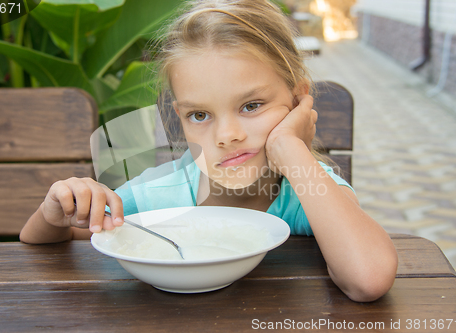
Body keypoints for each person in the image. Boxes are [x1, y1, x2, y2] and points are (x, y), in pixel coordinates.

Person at [20, 0, 398, 302]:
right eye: (199, 114)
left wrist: (291, 148)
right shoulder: (158, 197)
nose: (227, 135)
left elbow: (368, 279)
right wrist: (55, 210)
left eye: (251, 106)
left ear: (298, 102)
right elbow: (45, 241)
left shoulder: (310, 191)